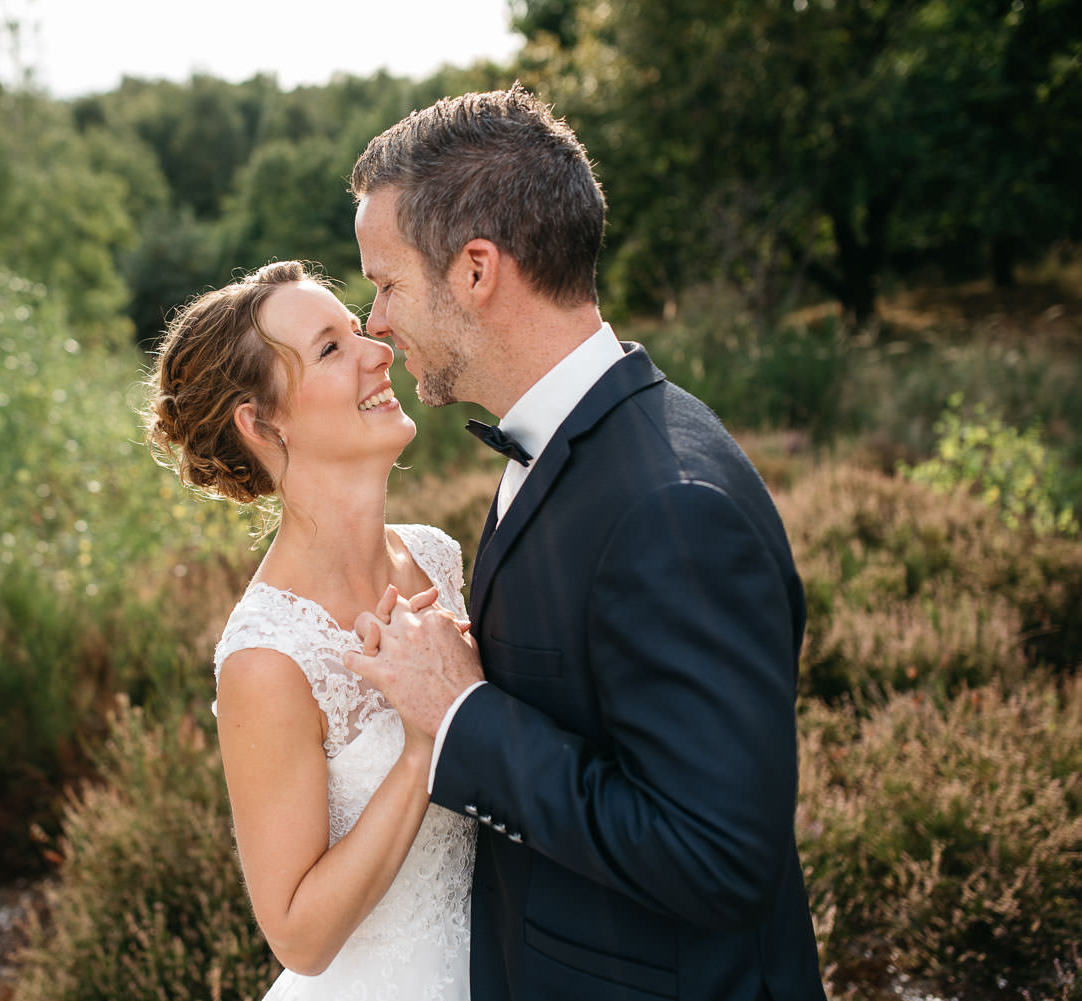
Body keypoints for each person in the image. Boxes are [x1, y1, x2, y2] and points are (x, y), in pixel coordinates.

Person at [342, 86, 827, 1000]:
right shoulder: (573, 438)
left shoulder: (670, 507)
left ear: (476, 270)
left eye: (387, 281)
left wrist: (461, 716)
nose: (376, 321)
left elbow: (717, 856)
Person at [144, 259, 477, 1000]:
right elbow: (298, 933)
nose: (378, 350)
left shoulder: (435, 556)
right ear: (263, 424)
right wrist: (427, 740)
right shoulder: (267, 656)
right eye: (331, 348)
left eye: (358, 329)